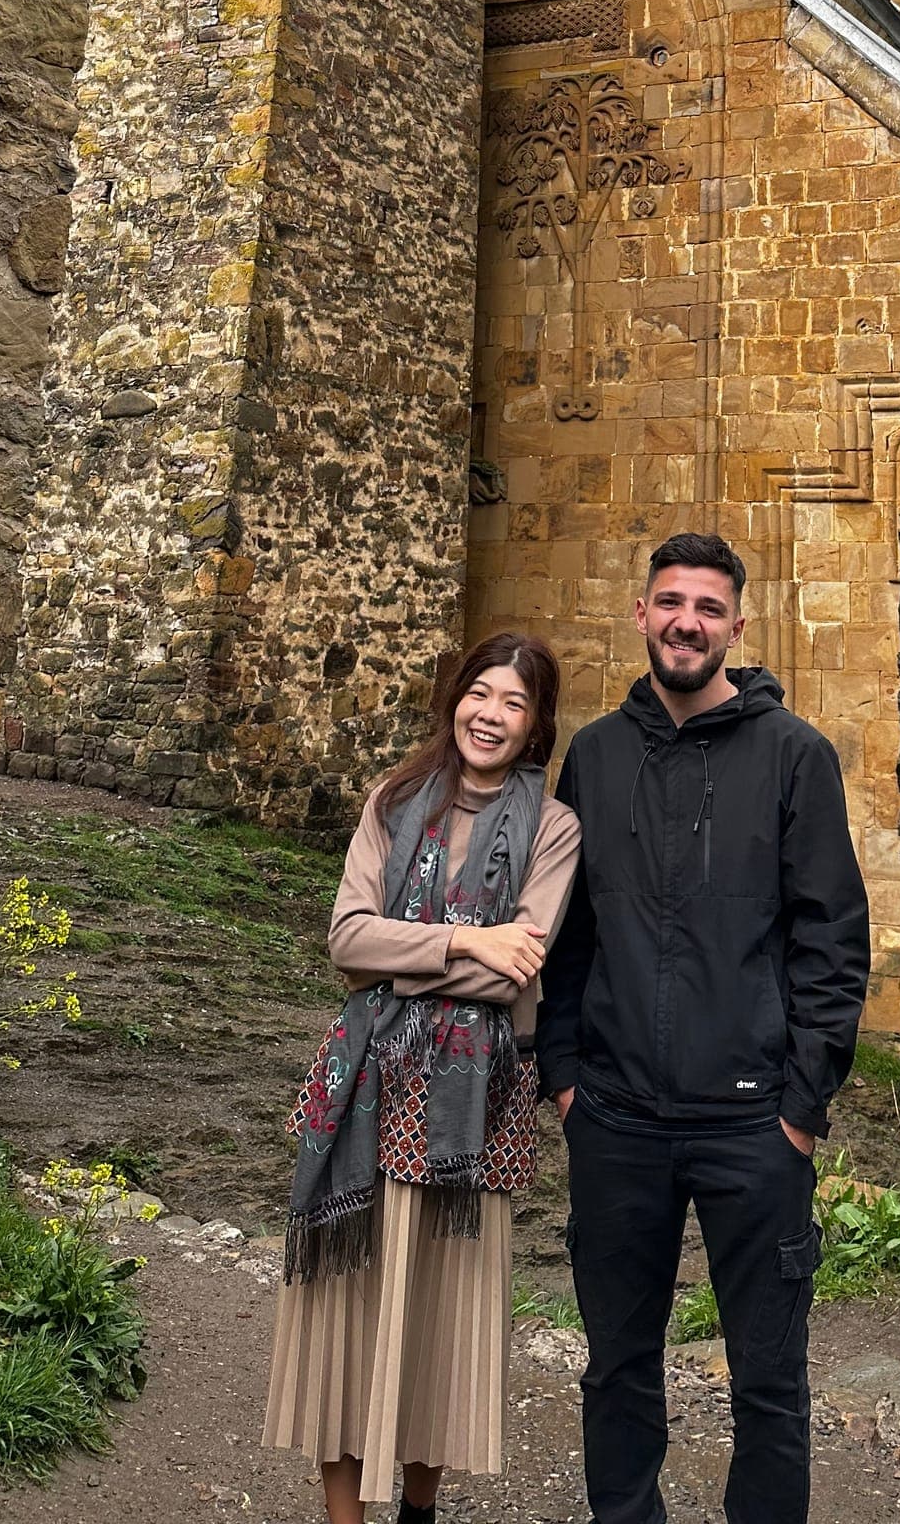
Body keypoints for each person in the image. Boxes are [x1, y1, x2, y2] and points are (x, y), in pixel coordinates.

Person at [538, 531, 870, 1524]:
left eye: (708, 607)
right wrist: (565, 1075)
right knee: (618, 1368)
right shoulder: (593, 758)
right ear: (641, 612)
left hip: (751, 1127)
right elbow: (565, 932)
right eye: (670, 602)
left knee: (769, 1381)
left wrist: (801, 1106)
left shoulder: (794, 756)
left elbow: (832, 937)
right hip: (618, 1120)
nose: (687, 621)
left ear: (736, 623)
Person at [263, 632, 581, 1524]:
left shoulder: (554, 830)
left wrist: (420, 953)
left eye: (514, 703)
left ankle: (418, 1513)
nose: (491, 714)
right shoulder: (393, 801)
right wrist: (467, 940)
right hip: (367, 1088)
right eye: (481, 693)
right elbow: (344, 941)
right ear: (456, 701)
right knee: (346, 1315)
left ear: (535, 726)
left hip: (474, 1108)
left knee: (437, 1318)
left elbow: (517, 970)